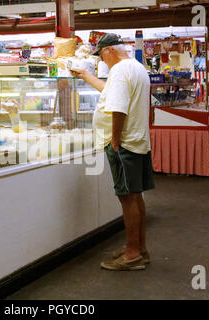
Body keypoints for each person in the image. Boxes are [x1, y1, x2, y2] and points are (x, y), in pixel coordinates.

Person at [71, 33, 155, 271]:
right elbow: (111, 93)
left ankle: (131, 255)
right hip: (137, 141)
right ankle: (140, 248)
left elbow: (117, 108)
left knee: (127, 198)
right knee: (136, 196)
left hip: (124, 144)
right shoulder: (135, 67)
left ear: (108, 51)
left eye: (102, 57)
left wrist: (115, 140)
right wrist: (87, 76)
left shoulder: (119, 70)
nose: (102, 62)